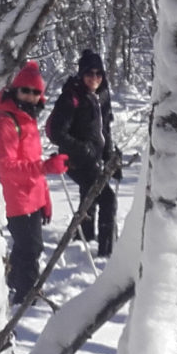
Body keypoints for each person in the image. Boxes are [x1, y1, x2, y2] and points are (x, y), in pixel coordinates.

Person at [0, 60, 68, 305]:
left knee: (27, 249)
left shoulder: (26, 119)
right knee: (30, 249)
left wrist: (44, 199)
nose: (31, 96)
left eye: (36, 92)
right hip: (13, 198)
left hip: (30, 197)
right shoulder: (3, 121)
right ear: (15, 90)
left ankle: (15, 287)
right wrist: (45, 167)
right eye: (26, 90)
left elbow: (31, 162)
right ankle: (26, 298)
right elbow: (6, 167)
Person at [46, 48, 119, 257]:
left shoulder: (102, 95)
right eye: (89, 73)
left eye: (98, 73)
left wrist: (111, 158)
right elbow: (59, 134)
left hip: (94, 157)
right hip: (75, 160)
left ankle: (84, 236)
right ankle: (107, 251)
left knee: (90, 195)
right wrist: (83, 149)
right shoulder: (70, 98)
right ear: (81, 74)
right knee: (107, 198)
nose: (94, 78)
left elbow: (105, 130)